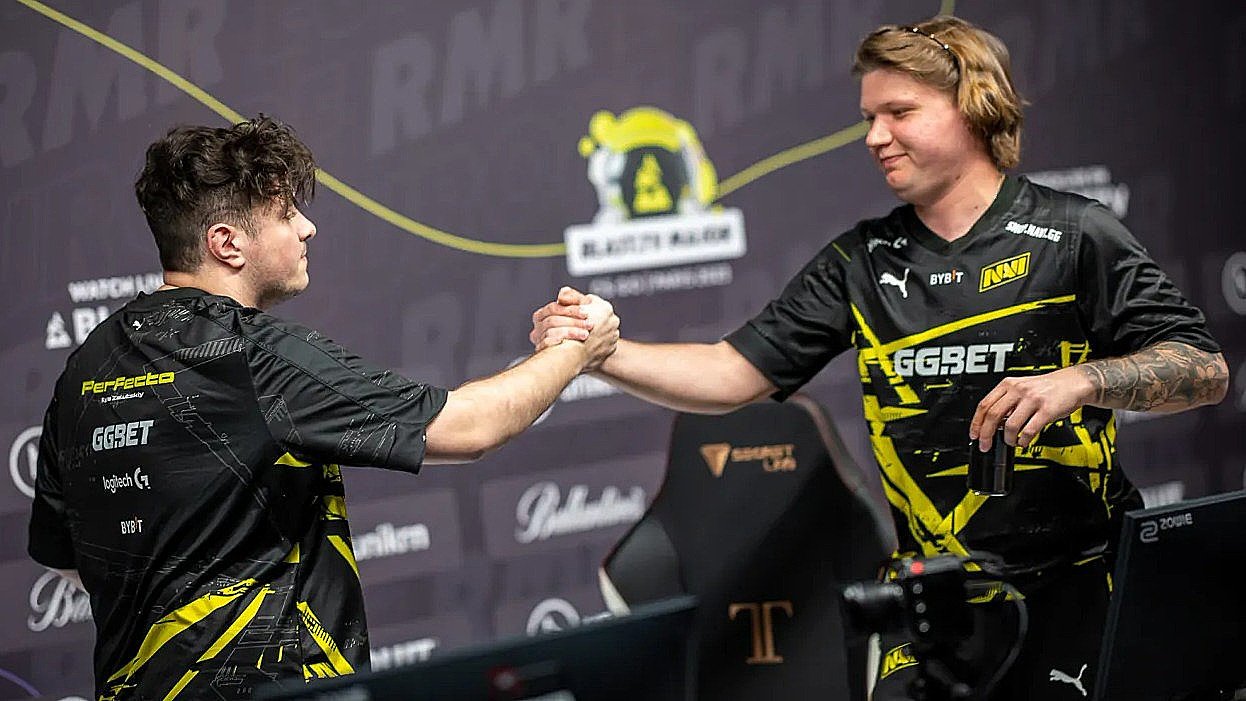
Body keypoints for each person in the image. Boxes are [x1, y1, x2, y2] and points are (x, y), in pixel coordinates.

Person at [531, 15, 1228, 700]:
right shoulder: (861, 261)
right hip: (932, 605)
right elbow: (729, 373)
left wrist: (1084, 380)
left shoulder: (1075, 233)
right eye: (869, 117)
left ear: (974, 107)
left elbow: (1204, 369)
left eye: (899, 112)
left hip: (1079, 590)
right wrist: (600, 350)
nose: (874, 137)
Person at [27, 116, 619, 701]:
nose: (307, 228)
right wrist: (576, 351)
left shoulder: (86, 367)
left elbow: (64, 560)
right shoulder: (254, 357)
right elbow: (471, 427)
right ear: (227, 244)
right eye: (286, 214)